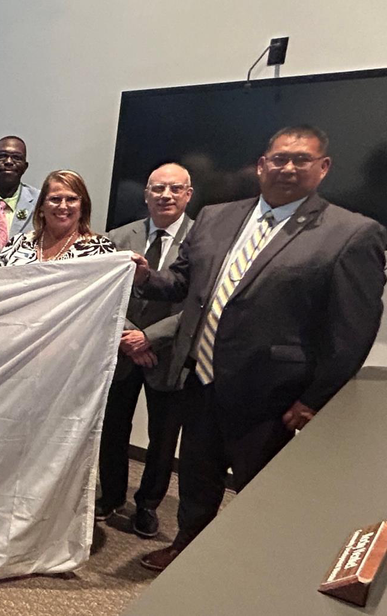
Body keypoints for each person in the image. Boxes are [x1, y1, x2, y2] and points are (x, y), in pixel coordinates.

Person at [132, 126, 387, 571]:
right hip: (200, 381)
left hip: (273, 397)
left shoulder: (353, 233)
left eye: (301, 159)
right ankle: (186, 551)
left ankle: (249, 570)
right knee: (196, 478)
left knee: (261, 492)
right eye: (280, 158)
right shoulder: (215, 216)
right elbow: (183, 283)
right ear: (261, 165)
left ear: (323, 168)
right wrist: (145, 277)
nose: (288, 167)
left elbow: (352, 332)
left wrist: (314, 399)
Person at [96, 163, 195, 538]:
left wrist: (150, 338)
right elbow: (104, 293)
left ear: (188, 194)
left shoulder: (204, 240)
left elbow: (199, 302)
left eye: (175, 188)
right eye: (158, 188)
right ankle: (111, 496)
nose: (165, 195)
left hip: (169, 354)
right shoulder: (118, 236)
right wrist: (131, 336)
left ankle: (148, 505)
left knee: (162, 438)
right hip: (122, 350)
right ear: (146, 194)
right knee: (112, 428)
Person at [0, 169, 116, 265]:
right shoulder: (18, 243)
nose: (63, 206)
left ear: (83, 207)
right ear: (41, 206)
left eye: (71, 199)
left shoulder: (102, 249)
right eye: (55, 199)